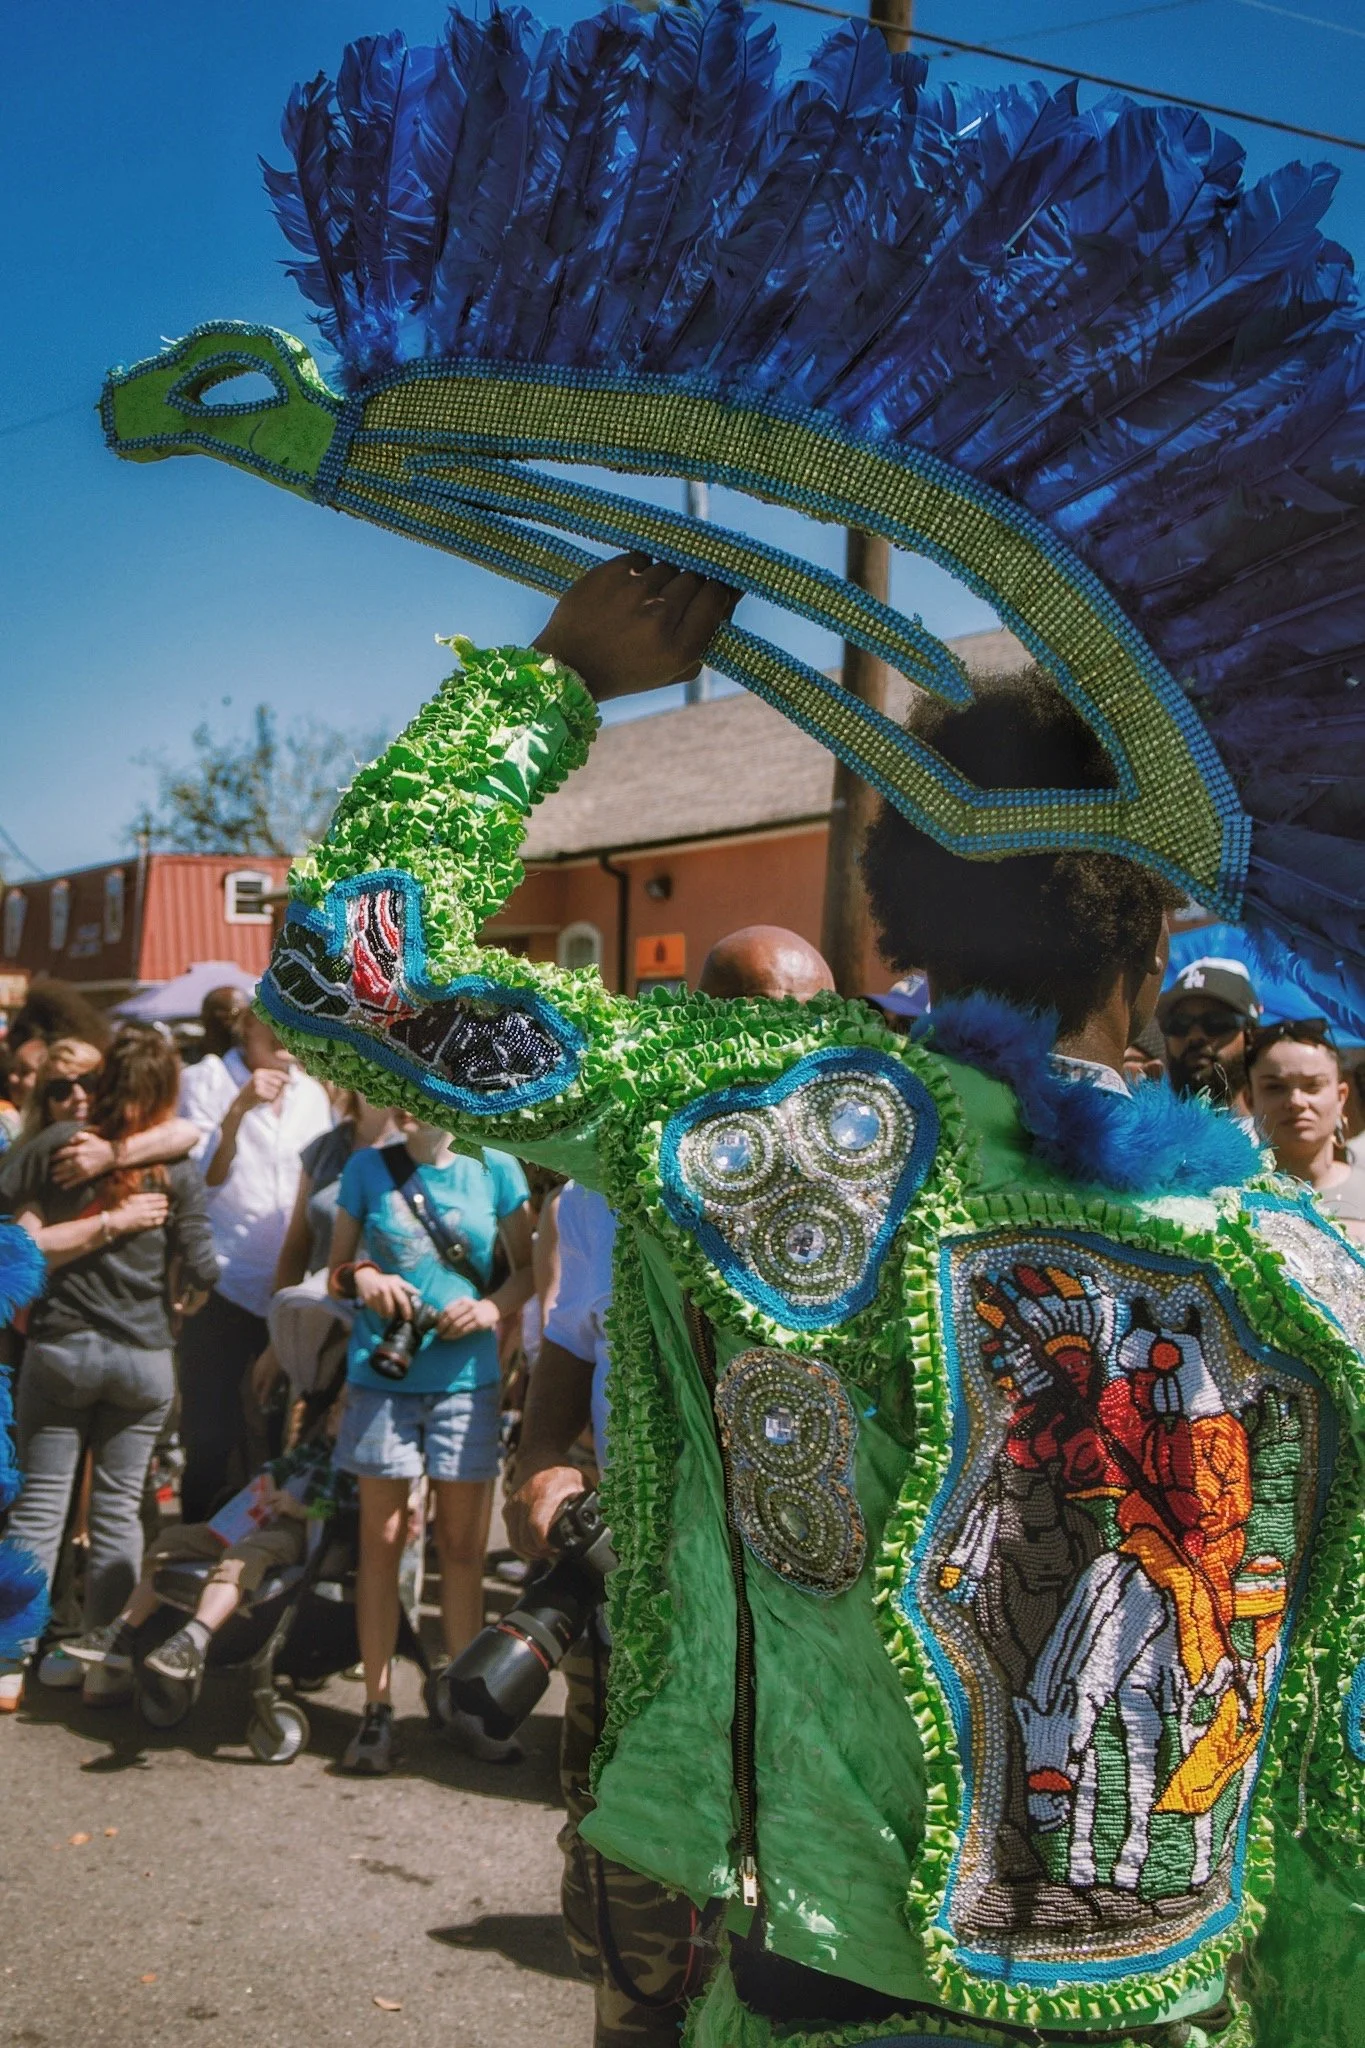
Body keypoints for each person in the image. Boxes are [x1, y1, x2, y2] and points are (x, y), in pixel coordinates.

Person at [256, 555, 1365, 2048]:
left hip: (829, 1975)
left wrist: (549, 682)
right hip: (1165, 1997)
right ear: (1154, 923)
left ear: (890, 898)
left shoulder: (773, 1133)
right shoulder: (1300, 1270)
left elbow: (354, 974)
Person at [507, 925, 833, 2048]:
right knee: (629, 1916)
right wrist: (547, 1476)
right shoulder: (611, 1182)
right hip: (635, 1609)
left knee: (789, 1932)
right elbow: (568, 1356)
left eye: (800, 1019)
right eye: (747, 1015)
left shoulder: (880, 1191)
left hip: (807, 1638)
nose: (774, 1045)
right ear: (701, 1020)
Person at [0, 1029, 219, 1709]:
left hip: (62, 1350)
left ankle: (9, 1666)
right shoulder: (173, 1166)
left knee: (38, 1511)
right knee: (119, 1512)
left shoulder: (50, 1150)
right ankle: (106, 1662)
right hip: (143, 1357)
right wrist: (190, 1289)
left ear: (103, 1085)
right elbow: (206, 1262)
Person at [328, 1113, 534, 1774]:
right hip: (380, 1379)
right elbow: (334, 1267)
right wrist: (362, 1277)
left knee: (463, 1547)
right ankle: (377, 1708)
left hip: (467, 1379)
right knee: (382, 1542)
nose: (405, 1103)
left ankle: (467, 1704)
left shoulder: (496, 1166)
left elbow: (528, 1270)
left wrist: (490, 1309)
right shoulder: (366, 1169)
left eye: (419, 1088)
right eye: (395, 1091)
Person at [62, 1411, 353, 1699]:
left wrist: (299, 1508)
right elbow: (274, 1467)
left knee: (241, 1558)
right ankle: (122, 1635)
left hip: (296, 1532)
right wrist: (269, 1483)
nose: (333, 1413)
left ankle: (194, 1641)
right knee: (172, 1540)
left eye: (345, 1408)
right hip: (260, 1516)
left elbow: (344, 1512)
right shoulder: (315, 1449)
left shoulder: (350, 1466)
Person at [176, 1008, 331, 1521]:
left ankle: (246, 1552)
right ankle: (195, 1540)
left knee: (270, 1431)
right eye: (276, 1023)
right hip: (224, 1280)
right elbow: (201, 1183)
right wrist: (237, 1111)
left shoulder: (311, 1092)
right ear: (248, 1025)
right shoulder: (206, 1079)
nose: (288, 1037)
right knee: (212, 1431)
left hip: (288, 1289)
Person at [1248, 1021, 1365, 1246]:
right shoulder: (1229, 1198)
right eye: (1275, 1087)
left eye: (1313, 1086)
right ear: (1250, 1099)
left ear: (1341, 1097)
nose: (1295, 1102)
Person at [1157, 957, 1261, 1114]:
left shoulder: (1288, 1134)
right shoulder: (1139, 1135)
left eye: (1216, 1022)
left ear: (1250, 1035)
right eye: (1179, 1024)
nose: (1195, 1036)